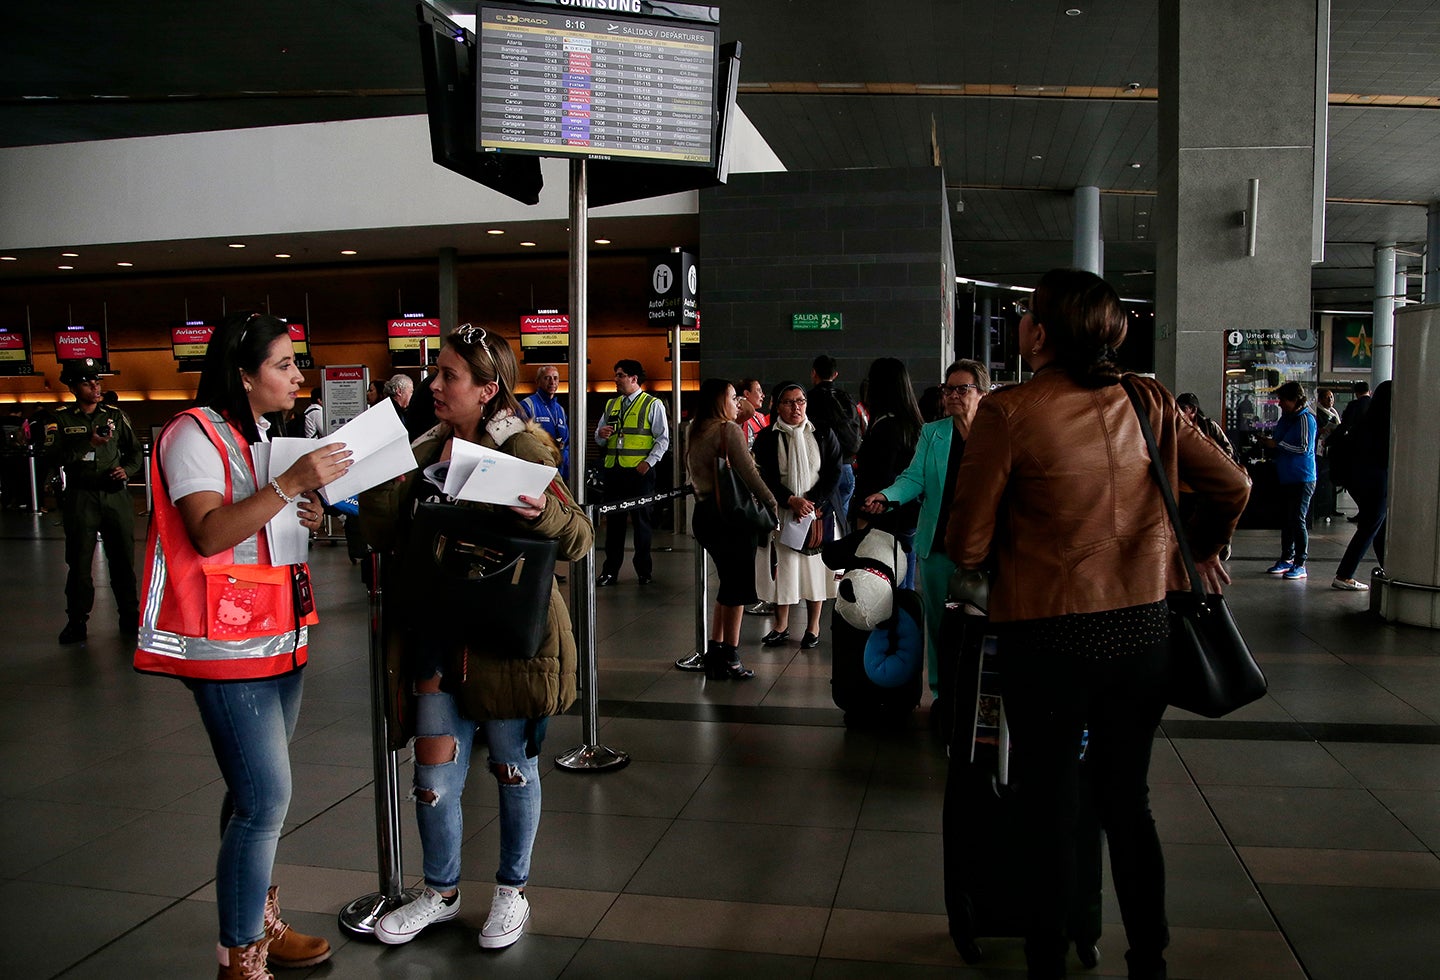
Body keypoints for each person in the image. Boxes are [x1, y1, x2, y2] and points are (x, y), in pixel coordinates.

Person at [946, 268, 1250, 980]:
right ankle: (1149, 958)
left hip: (1049, 636)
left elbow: (967, 544)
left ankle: (1046, 960)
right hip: (1144, 633)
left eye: (1025, 313)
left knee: (1047, 807)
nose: (1019, 322)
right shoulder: (1147, 399)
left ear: (1042, 334)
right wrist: (1193, 552)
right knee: (1127, 801)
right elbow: (1233, 485)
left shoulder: (1010, 412)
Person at [360, 325, 592, 952]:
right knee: (433, 775)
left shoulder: (523, 447)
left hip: (506, 641)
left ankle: (512, 889)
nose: (434, 386)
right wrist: (371, 484)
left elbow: (577, 536)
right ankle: (440, 892)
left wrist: (535, 509)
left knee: (512, 766)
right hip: (435, 637)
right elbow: (385, 532)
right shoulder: (425, 445)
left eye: (450, 377)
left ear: (488, 390)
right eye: (435, 373)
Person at [134, 311, 350, 979]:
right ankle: (240, 954)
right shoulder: (189, 435)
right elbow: (207, 532)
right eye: (284, 364)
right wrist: (286, 485)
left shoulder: (259, 433)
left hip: (278, 636)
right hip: (227, 647)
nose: (297, 375)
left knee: (251, 793)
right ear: (243, 373)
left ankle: (253, 922)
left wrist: (303, 512)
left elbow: (260, 521)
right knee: (265, 801)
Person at [863, 359, 989, 701]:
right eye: (950, 389)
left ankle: (977, 696)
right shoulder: (933, 433)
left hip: (984, 549)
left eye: (963, 389)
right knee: (938, 624)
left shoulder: (995, 433)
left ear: (982, 393)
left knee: (983, 625)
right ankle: (941, 692)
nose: (954, 396)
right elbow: (914, 477)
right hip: (938, 545)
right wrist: (886, 496)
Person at [678, 378, 779, 677]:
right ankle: (731, 657)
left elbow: (742, 413)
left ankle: (716, 650)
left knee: (727, 583)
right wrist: (772, 504)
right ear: (718, 400)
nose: (738, 403)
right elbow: (749, 473)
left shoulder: (695, 429)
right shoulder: (727, 430)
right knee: (736, 588)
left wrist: (738, 404)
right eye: (733, 397)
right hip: (732, 519)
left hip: (706, 515)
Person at [49, 358, 143, 643]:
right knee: (79, 562)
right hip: (81, 496)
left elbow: (135, 452)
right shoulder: (61, 419)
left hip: (115, 495)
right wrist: (88, 444)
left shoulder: (115, 415)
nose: (95, 386)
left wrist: (125, 470)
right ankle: (76, 621)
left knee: (123, 561)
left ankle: (129, 617)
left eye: (97, 381)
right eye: (87, 382)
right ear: (73, 387)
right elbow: (52, 458)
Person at [753, 382, 842, 649]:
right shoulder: (768, 437)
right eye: (789, 402)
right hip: (784, 512)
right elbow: (764, 476)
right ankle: (781, 625)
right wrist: (789, 500)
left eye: (801, 401)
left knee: (815, 571)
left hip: (817, 512)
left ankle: (813, 627)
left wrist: (813, 501)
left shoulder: (823, 432)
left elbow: (834, 471)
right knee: (785, 569)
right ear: (777, 406)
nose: (796, 408)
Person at [849, 357, 924, 588]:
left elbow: (879, 477)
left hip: (886, 522)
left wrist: (864, 515)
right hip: (909, 517)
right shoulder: (911, 424)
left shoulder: (885, 427)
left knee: (883, 595)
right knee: (904, 590)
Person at [594, 359, 669, 586]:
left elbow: (663, 439)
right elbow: (599, 436)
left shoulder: (652, 404)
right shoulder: (611, 404)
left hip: (639, 473)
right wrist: (601, 433)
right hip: (614, 471)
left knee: (641, 523)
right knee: (614, 524)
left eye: (620, 375)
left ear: (634, 378)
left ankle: (643, 571)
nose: (616, 379)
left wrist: (649, 462)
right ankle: (610, 571)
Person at [1333, 380, 1391, 591]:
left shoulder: (1367, 419)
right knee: (1370, 527)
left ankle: (1388, 570)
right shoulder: (1388, 423)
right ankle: (1344, 574)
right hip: (1378, 479)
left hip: (1360, 479)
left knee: (1378, 527)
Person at [1261, 380, 1317, 580]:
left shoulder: (1305, 419)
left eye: (1283, 400)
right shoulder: (1286, 419)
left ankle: (1300, 562)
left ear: (1295, 400)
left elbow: (1304, 447)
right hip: (1286, 476)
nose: (1279, 404)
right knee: (1287, 519)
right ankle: (1287, 558)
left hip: (1302, 477)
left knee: (1298, 519)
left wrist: (1277, 445)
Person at [807, 354, 863, 531]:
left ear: (813, 373)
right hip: (846, 469)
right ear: (835, 375)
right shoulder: (845, 397)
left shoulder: (808, 399)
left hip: (821, 472)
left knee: (820, 525)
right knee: (841, 524)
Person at [520, 364, 571, 477]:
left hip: (559, 470)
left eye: (555, 378)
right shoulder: (527, 405)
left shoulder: (560, 410)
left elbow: (566, 441)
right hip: (537, 469)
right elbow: (521, 440)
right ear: (538, 381)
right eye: (547, 378)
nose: (552, 382)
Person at [1175, 393, 1235, 460]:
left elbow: (1228, 448)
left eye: (1183, 408)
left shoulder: (1210, 426)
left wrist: (1219, 463)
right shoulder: (1175, 427)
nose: (1179, 412)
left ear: (1193, 410)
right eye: (1177, 408)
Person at [737, 377, 769, 446]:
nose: (763, 395)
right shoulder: (738, 417)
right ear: (747, 393)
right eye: (759, 391)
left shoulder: (761, 416)